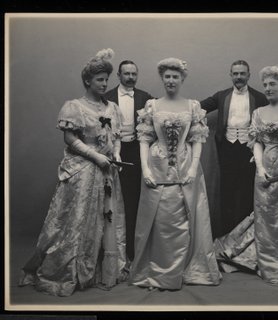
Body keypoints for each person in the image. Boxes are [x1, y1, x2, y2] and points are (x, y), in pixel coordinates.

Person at [18, 49, 127, 296]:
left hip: (108, 172)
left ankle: (103, 269)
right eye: (100, 79)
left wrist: (116, 154)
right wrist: (96, 156)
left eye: (106, 79)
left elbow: (116, 137)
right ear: (88, 81)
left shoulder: (113, 108)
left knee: (107, 219)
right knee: (76, 221)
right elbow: (70, 138)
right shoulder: (74, 107)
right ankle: (71, 271)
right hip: (83, 174)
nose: (104, 84)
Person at [214, 65, 278, 284]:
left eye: (273, 84)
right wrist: (260, 168)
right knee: (267, 217)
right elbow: (257, 143)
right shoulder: (258, 113)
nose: (268, 88)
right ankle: (268, 260)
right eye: (266, 85)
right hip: (265, 171)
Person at [129, 58, 222, 291]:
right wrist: (146, 168)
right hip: (157, 166)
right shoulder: (152, 106)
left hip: (186, 165)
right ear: (163, 79)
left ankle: (186, 268)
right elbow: (144, 138)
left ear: (182, 79)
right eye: (167, 77)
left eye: (175, 77)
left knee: (185, 216)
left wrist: (193, 167)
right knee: (160, 218)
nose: (171, 80)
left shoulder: (192, 107)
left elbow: (198, 139)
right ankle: (157, 268)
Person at [200, 60, 268, 237]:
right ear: (231, 75)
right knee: (227, 193)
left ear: (248, 75)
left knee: (247, 193)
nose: (239, 77)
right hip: (227, 149)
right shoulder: (222, 95)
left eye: (242, 73)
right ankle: (225, 238)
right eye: (235, 73)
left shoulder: (259, 97)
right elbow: (199, 107)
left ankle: (244, 240)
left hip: (250, 150)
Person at [104, 60, 152, 263]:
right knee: (110, 199)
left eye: (134, 73)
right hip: (110, 152)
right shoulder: (105, 98)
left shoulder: (145, 98)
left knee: (132, 200)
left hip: (134, 151)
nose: (131, 77)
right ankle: (109, 250)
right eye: (127, 74)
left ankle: (131, 251)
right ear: (118, 75)